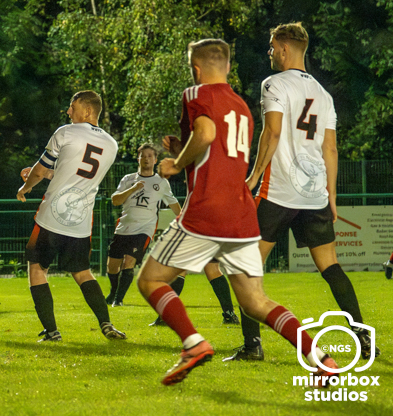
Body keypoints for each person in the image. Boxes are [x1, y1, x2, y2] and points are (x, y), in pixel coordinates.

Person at [136, 38, 338, 386]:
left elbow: (206, 133)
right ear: (228, 67)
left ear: (195, 69)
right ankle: (321, 359)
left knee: (150, 280)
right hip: (242, 215)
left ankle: (193, 344)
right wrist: (183, 145)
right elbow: (219, 147)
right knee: (255, 302)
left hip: (207, 209)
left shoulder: (195, 93)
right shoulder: (241, 106)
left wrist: (177, 163)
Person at [226, 22, 378, 362]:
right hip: (314, 194)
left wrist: (253, 177)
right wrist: (331, 197)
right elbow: (331, 149)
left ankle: (252, 346)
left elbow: (272, 132)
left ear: (283, 49)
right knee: (331, 266)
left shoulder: (274, 83)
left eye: (271, 47)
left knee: (246, 265)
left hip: (278, 191)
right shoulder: (323, 94)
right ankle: (364, 339)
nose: (269, 53)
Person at [16, 90, 126, 342]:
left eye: (72, 106)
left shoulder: (65, 132)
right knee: (83, 272)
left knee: (37, 269)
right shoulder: (111, 144)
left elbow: (41, 169)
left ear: (87, 111)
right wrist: (47, 174)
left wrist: (26, 186)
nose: (68, 111)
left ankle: (52, 332)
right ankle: (106, 323)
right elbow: (76, 174)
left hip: (52, 215)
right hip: (80, 219)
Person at [105, 143, 180, 307]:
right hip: (124, 227)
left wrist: (184, 221)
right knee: (112, 266)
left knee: (129, 262)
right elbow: (115, 200)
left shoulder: (161, 182)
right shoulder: (128, 179)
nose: (146, 159)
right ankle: (113, 292)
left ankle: (118, 300)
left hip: (144, 228)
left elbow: (174, 204)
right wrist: (133, 189)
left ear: (155, 160)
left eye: (149, 156)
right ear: (138, 159)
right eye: (143, 156)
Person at [148, 262, 240, 326]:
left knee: (180, 268)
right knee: (213, 269)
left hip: (195, 238)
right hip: (213, 239)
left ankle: (165, 317)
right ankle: (229, 314)